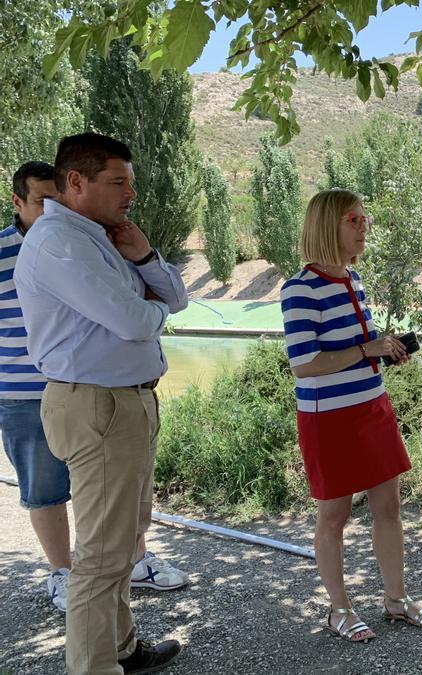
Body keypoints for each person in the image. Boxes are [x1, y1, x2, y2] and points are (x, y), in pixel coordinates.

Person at [14, 133, 188, 674]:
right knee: (99, 558)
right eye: (118, 181)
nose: (130, 192)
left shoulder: (98, 237)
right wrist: (153, 313)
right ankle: (96, 666)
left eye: (130, 181)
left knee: (119, 545)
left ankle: (120, 647)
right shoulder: (60, 243)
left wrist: (145, 257)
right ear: (75, 182)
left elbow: (176, 296)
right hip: (99, 407)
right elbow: (136, 320)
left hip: (122, 404)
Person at [280, 188, 422, 643]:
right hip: (328, 417)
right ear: (328, 225)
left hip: (371, 406)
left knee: (388, 506)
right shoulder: (299, 288)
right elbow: (304, 363)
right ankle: (339, 609)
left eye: (364, 219)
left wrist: (384, 350)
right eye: (354, 219)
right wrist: (366, 349)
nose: (364, 226)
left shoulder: (355, 281)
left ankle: (395, 600)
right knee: (334, 516)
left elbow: (354, 351)